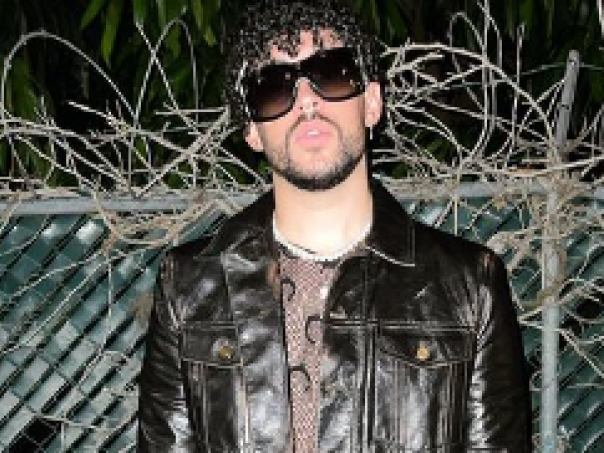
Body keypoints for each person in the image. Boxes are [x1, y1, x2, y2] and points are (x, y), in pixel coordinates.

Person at [137, 0, 531, 451]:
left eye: (331, 73)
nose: (306, 101)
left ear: (372, 103)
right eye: (274, 87)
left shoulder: (468, 286)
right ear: (251, 130)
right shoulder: (189, 286)